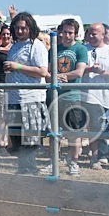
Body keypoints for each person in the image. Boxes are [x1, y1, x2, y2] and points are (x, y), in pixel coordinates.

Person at [3, 12, 49, 174]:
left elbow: (42, 71)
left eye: (23, 28)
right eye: (17, 28)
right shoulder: (15, 46)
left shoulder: (36, 46)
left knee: (29, 140)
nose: (20, 31)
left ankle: (29, 171)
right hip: (14, 98)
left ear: (30, 28)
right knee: (16, 139)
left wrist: (17, 67)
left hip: (30, 99)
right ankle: (23, 170)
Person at [41, 18, 89, 176]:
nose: (67, 35)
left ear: (75, 34)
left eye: (70, 33)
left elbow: (79, 72)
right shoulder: (54, 49)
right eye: (65, 32)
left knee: (74, 132)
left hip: (72, 97)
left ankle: (73, 162)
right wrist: (55, 77)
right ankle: (53, 161)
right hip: (54, 96)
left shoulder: (80, 49)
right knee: (53, 132)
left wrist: (59, 76)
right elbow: (47, 73)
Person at [81, 23, 109, 170]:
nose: (91, 36)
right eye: (90, 33)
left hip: (101, 97)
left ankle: (98, 155)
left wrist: (101, 72)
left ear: (103, 35)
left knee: (99, 128)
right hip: (82, 96)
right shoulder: (83, 50)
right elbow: (77, 69)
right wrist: (89, 69)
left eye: (95, 34)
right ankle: (78, 156)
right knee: (81, 128)